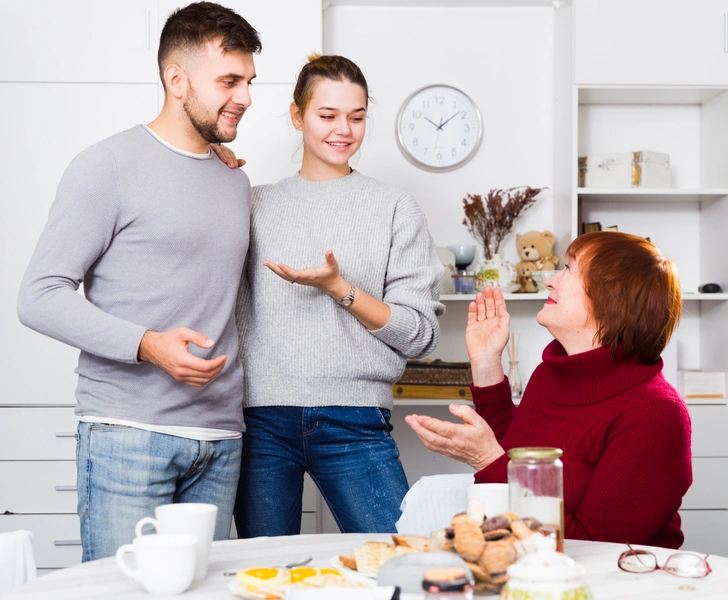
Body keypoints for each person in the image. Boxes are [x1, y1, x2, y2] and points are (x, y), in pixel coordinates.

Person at [16, 2, 261, 561]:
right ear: (177, 80)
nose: (245, 96)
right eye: (228, 80)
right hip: (127, 432)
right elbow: (39, 296)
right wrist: (148, 345)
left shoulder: (234, 181)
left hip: (221, 438)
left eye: (248, 81)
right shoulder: (106, 166)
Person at [221, 54, 445, 537]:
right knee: (267, 578)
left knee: (399, 562)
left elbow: (421, 336)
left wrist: (338, 288)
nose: (344, 130)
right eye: (327, 116)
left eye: (357, 116)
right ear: (298, 116)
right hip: (260, 420)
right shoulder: (251, 202)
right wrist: (209, 176)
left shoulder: (394, 207)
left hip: (356, 418)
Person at [405, 231, 692, 549]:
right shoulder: (549, 375)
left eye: (569, 269)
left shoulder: (655, 413)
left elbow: (593, 546)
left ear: (611, 298)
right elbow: (512, 453)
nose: (551, 281)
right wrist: (486, 362)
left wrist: (487, 459)